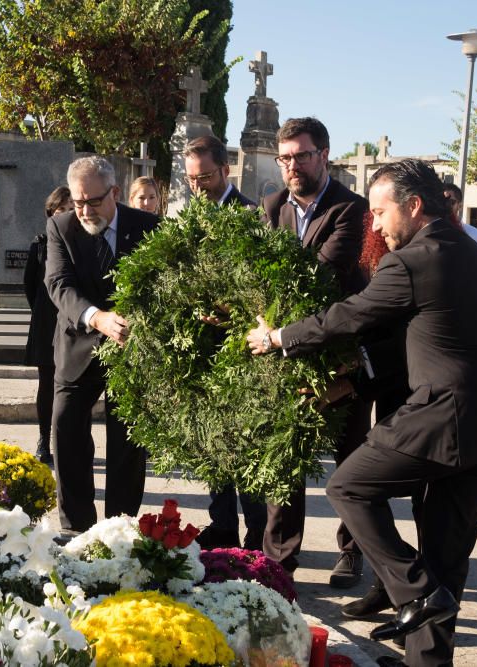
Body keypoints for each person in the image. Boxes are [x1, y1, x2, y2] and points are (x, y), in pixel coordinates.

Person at [247, 159, 477, 666]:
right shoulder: (473, 252)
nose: (373, 224)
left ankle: (417, 592)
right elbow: (423, 335)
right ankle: (428, 657)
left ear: (414, 207)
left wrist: (278, 337)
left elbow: (349, 317)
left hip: (449, 414)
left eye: (380, 213)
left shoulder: (413, 260)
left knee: (348, 486)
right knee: (447, 547)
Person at [261, 116, 370, 588]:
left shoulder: (352, 210)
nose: (292, 166)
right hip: (284, 353)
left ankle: (352, 550)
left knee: (351, 459)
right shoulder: (272, 207)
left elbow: (323, 275)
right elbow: (255, 269)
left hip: (340, 350)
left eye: (301, 156)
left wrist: (272, 319)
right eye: (284, 157)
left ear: (324, 155)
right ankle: (279, 560)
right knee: (284, 456)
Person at [45, 156, 159, 531]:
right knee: (65, 430)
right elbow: (59, 284)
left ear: (114, 193)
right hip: (78, 345)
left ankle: (120, 528)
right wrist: (97, 317)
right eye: (78, 202)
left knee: (128, 444)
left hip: (131, 350)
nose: (84, 210)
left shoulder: (148, 227)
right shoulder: (61, 227)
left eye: (92, 201)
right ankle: (76, 528)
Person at [183, 134, 266, 553]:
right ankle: (222, 526)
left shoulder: (251, 215)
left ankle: (256, 536)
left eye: (206, 176)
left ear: (226, 169)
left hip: (244, 352)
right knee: (214, 442)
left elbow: (263, 285)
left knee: (247, 445)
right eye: (191, 178)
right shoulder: (188, 218)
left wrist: (231, 312)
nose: (198, 185)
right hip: (203, 351)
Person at [23, 186, 73, 465]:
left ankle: (69, 439)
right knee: (47, 383)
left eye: (69, 209)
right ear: (51, 213)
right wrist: (44, 311)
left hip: (75, 322)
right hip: (46, 321)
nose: (65, 214)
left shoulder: (86, 240)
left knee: (74, 386)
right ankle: (44, 439)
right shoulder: (40, 243)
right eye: (59, 210)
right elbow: (30, 284)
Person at [184, 135, 256, 207]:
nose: (197, 186)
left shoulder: (248, 213)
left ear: (225, 171)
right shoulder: (194, 211)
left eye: (204, 177)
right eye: (191, 178)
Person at [442, 183, 477, 253]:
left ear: (460, 206)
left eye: (450, 202)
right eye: (441, 202)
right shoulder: (425, 234)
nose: (445, 206)